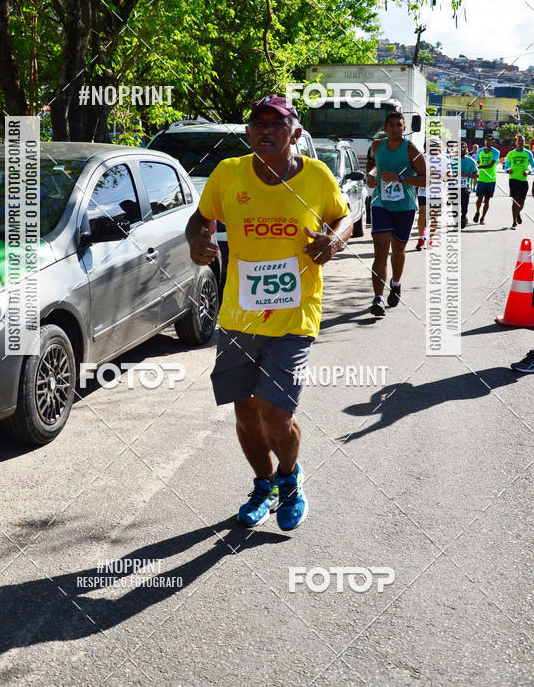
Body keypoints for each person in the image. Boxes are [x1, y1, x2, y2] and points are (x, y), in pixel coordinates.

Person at [185, 94, 352, 530]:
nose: (266, 130)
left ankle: (289, 480)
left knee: (276, 414)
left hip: (295, 316)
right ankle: (264, 485)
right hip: (238, 317)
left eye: (276, 124)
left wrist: (335, 240)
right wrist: (197, 240)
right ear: (248, 133)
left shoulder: (316, 176)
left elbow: (344, 217)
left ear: (295, 133)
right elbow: (200, 218)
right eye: (258, 123)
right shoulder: (228, 173)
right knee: (245, 412)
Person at [366, 111, 426, 316]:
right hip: (380, 203)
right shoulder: (376, 146)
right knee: (380, 251)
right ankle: (378, 298)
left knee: (398, 250)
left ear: (404, 128)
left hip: (404, 207)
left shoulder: (411, 149)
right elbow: (373, 164)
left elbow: (426, 179)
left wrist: (400, 178)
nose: (394, 128)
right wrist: (370, 175)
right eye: (390, 125)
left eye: (398, 125)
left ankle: (396, 283)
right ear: (385, 128)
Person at [415, 136, 451, 249]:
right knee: (422, 213)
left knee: (434, 217)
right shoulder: (422, 158)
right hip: (424, 191)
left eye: (436, 146)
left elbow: (449, 177)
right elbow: (416, 173)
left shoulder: (445, 160)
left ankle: (430, 238)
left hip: (438, 193)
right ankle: (421, 238)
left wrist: (436, 175)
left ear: (440, 147)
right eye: (431, 146)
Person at [504, 134, 534, 229]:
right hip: (513, 180)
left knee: (521, 203)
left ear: (524, 142)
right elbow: (506, 166)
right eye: (519, 140)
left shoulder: (528, 153)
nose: (521, 142)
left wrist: (528, 171)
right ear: (516, 142)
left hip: (523, 180)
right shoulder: (511, 154)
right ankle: (514, 222)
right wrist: (508, 170)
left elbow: (533, 166)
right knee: (515, 202)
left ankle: (518, 213)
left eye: (523, 140)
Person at [473, 135, 500, 225]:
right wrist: (477, 164)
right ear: (484, 141)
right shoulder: (480, 151)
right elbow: (477, 162)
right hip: (481, 178)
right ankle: (477, 212)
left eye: (490, 140)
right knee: (479, 199)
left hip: (491, 179)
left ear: (492, 141)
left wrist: (480, 166)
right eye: (486, 140)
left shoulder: (496, 152)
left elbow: (491, 165)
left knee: (487, 200)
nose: (488, 142)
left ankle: (482, 218)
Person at [459, 142, 478, 228]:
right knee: (454, 206)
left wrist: (466, 175)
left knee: (464, 206)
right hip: (453, 187)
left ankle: (463, 216)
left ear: (467, 149)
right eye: (460, 148)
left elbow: (476, 174)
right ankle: (458, 220)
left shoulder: (471, 161)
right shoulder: (452, 160)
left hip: (465, 187)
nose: (462, 149)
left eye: (464, 148)